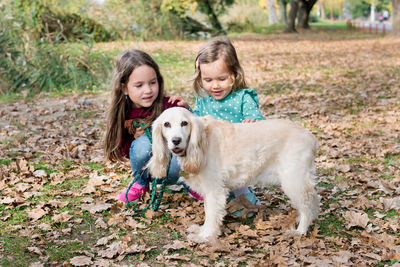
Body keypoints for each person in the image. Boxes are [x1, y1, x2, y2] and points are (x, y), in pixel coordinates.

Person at [104, 49, 203, 203]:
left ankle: (192, 182)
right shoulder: (123, 113)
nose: (148, 90)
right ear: (124, 88)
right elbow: (123, 150)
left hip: (173, 167)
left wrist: (187, 110)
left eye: (152, 82)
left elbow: (196, 131)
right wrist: (135, 139)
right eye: (139, 85)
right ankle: (140, 183)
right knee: (143, 144)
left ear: (159, 80)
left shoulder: (170, 106)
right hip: (147, 167)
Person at [192, 36, 264, 217]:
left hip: (236, 153)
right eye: (208, 80)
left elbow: (256, 120)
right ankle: (212, 189)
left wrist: (252, 123)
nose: (215, 85)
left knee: (242, 208)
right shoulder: (203, 99)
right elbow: (197, 121)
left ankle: (241, 193)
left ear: (234, 74)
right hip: (211, 153)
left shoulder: (242, 98)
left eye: (222, 79)